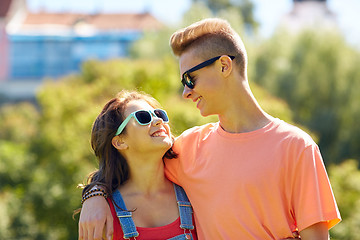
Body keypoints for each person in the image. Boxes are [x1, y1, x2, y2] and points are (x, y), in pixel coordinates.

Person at [79, 18, 341, 239]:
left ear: (224, 66)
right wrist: (94, 195)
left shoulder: (296, 147)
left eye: (190, 79)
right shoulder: (187, 148)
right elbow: (132, 167)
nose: (185, 92)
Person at [79, 90, 197, 240]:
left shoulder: (193, 190)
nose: (158, 121)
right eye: (143, 118)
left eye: (159, 114)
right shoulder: (104, 214)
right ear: (120, 142)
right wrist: (93, 195)